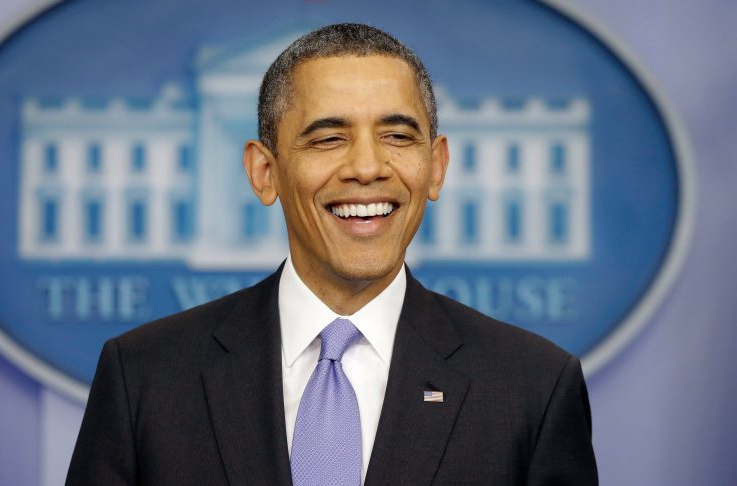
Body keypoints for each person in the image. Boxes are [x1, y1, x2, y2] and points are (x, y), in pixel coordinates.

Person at [66, 23, 598, 485]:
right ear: (264, 172)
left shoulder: (533, 388)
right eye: (328, 139)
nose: (367, 167)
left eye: (396, 135)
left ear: (435, 166)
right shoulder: (144, 378)